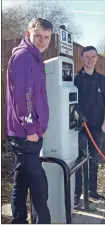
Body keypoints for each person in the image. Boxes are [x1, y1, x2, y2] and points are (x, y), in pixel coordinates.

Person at [6, 18, 53, 224]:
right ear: (28, 34)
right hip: (25, 134)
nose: (42, 41)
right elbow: (22, 98)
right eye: (38, 36)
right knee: (39, 183)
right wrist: (32, 129)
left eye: (46, 37)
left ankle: (18, 220)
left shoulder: (35, 57)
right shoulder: (24, 56)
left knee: (22, 179)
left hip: (29, 132)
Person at [74, 46, 105, 208]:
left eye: (93, 57)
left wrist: (104, 125)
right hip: (80, 128)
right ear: (82, 58)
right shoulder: (76, 79)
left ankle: (93, 192)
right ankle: (77, 195)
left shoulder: (102, 80)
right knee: (79, 161)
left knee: (94, 160)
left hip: (98, 128)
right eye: (87, 57)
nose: (90, 59)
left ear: (96, 58)